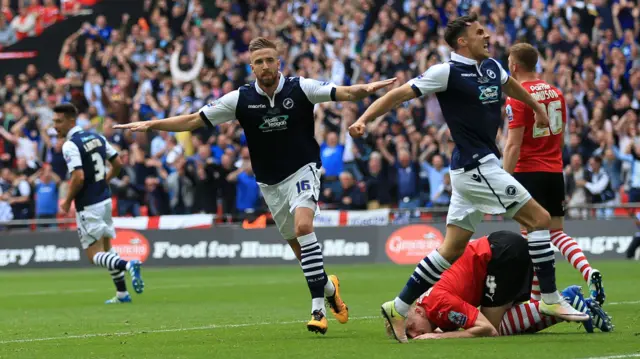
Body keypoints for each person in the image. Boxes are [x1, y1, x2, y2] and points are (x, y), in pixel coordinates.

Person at [114, 37, 396, 334]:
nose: (265, 66)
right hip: (270, 182)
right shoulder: (240, 99)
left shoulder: (300, 87)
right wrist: (151, 124)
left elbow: (341, 92)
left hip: (303, 169)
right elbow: (195, 120)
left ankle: (317, 309)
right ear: (252, 67)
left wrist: (363, 90)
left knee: (303, 228)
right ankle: (328, 287)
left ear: (279, 62)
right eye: (259, 62)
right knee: (300, 249)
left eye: (269, 60)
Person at [347, 13, 589, 343]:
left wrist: (535, 105)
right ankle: (549, 300)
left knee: (451, 248)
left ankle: (399, 305)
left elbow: (511, 85)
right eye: (479, 32)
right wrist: (364, 119)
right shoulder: (445, 72)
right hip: (476, 166)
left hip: (471, 169)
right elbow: (398, 94)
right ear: (463, 41)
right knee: (540, 219)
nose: (486, 36)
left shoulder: (491, 67)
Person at [502, 43, 606, 305]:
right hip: (553, 170)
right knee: (557, 232)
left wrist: (502, 180)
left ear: (514, 65)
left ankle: (538, 298)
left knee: (532, 236)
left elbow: (513, 144)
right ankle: (588, 270)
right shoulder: (556, 92)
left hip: (528, 171)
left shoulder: (518, 95)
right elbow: (560, 138)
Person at [402, 231, 613, 340]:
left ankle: (566, 298)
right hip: (501, 250)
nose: (414, 335)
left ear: (419, 311)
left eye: (411, 328)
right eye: (410, 334)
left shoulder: (438, 302)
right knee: (511, 320)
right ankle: (574, 305)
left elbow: (486, 329)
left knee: (496, 328)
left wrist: (438, 337)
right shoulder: (430, 305)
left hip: (500, 256)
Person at [54, 103, 144, 304]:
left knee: (94, 255)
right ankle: (122, 294)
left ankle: (129, 265)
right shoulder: (97, 137)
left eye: (59, 121)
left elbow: (78, 177)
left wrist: (67, 201)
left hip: (88, 204)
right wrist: (105, 180)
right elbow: (118, 163)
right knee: (107, 248)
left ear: (71, 121)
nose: (55, 126)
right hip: (104, 200)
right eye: (54, 122)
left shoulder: (70, 145)